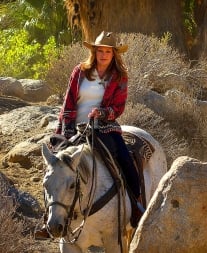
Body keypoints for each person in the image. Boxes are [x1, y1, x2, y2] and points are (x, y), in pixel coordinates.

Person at [35, 31, 142, 240]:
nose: (103, 54)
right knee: (53, 170)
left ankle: (136, 207)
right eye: (100, 50)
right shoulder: (80, 72)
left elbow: (118, 108)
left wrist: (101, 113)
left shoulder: (120, 77)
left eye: (108, 51)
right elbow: (68, 101)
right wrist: (66, 128)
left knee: (126, 162)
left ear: (114, 54)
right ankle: (47, 219)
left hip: (103, 128)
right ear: (95, 51)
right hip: (73, 128)